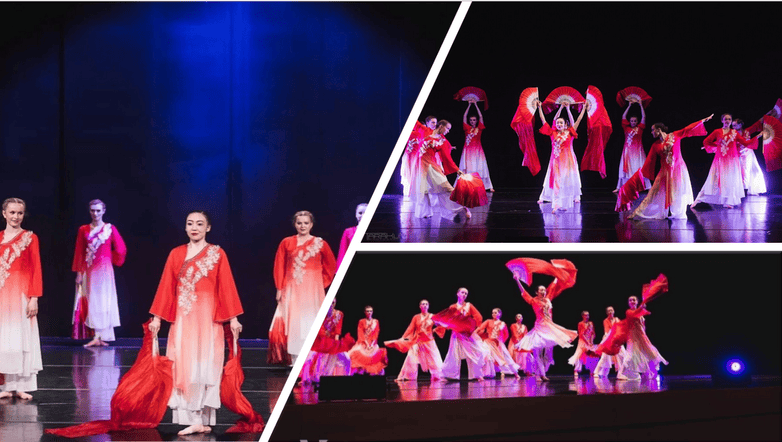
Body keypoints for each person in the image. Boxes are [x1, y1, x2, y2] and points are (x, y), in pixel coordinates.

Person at [147, 210, 244, 436]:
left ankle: (200, 417)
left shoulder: (217, 254)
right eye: (190, 223)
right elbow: (166, 287)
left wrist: (234, 318)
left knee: (204, 364)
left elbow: (226, 286)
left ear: (208, 228)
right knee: (184, 364)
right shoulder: (176, 254)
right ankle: (194, 417)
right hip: (184, 319)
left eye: (200, 224)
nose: (194, 228)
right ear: (185, 227)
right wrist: (157, 317)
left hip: (208, 320)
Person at [270, 211, 336, 364]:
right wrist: (279, 288)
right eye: (299, 223)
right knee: (294, 323)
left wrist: (321, 283)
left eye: (306, 223)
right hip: (292, 289)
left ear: (311, 224)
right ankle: (295, 359)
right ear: (295, 224)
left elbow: (331, 266)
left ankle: (312, 359)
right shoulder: (286, 242)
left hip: (313, 290)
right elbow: (279, 265)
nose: (303, 226)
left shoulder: (320, 243)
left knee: (311, 321)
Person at [619, 115, 713, 219]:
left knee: (678, 192)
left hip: (678, 170)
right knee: (653, 193)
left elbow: (687, 129)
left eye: (653, 130)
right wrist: (638, 177)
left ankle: (678, 213)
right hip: (664, 172)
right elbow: (649, 161)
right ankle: (637, 213)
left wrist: (702, 121)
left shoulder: (675, 135)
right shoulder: (655, 145)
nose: (651, 132)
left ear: (659, 130)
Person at [0, 198, 43, 401]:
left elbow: (36, 268)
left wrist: (34, 298)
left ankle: (21, 385)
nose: (16, 216)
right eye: (12, 212)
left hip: (21, 296)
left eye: (20, 213)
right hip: (2, 297)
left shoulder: (30, 238)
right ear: (4, 214)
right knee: (5, 341)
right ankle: (7, 385)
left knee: (21, 339)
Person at [72, 199, 127, 347]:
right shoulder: (83, 229)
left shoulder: (110, 228)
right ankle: (95, 335)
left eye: (98, 210)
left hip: (105, 271)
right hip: (88, 271)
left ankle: (103, 335)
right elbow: (79, 252)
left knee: (105, 301)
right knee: (93, 301)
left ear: (103, 211)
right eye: (92, 210)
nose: (95, 213)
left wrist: (110, 259)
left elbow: (121, 248)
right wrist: (78, 273)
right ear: (89, 211)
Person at [513, 280, 578, 381]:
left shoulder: (548, 300)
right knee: (537, 352)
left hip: (550, 328)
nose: (544, 291)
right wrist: (517, 280)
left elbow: (552, 288)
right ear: (537, 292)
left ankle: (543, 371)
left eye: (544, 290)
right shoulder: (534, 301)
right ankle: (541, 374)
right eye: (541, 290)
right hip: (539, 328)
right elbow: (524, 292)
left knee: (548, 353)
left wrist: (557, 277)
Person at [693, 114, 759, 209]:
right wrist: (716, 147)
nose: (727, 121)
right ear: (722, 121)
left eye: (729, 119)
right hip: (720, 160)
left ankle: (728, 201)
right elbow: (706, 141)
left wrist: (758, 136)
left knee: (730, 181)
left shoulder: (734, 132)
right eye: (725, 119)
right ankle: (699, 198)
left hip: (732, 161)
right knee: (713, 180)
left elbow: (745, 143)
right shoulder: (717, 131)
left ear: (731, 121)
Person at [534, 100, 589, 213]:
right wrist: (540, 108)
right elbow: (544, 120)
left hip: (567, 162)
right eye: (557, 123)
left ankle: (563, 203)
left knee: (565, 182)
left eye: (561, 123)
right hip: (555, 162)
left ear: (565, 125)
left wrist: (580, 109)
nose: (559, 124)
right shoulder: (552, 133)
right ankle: (556, 204)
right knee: (557, 182)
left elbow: (577, 120)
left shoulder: (570, 133)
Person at [413, 120, 472, 221]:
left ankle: (464, 206)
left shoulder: (443, 141)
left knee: (447, 188)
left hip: (431, 167)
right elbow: (415, 123)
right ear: (441, 126)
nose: (448, 131)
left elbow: (447, 158)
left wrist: (457, 170)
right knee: (423, 190)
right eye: (447, 128)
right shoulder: (426, 130)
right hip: (420, 166)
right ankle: (425, 213)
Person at [437, 288, 490, 381]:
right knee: (453, 354)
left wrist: (474, 327)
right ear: (458, 294)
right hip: (456, 334)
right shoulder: (453, 307)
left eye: (466, 293)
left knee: (476, 352)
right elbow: (448, 320)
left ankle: (477, 374)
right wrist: (440, 324)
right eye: (462, 292)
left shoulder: (469, 305)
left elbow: (478, 317)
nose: (464, 294)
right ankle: (447, 375)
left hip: (467, 334)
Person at [387, 299, 444, 382]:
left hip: (429, 341)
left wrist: (434, 330)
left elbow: (441, 325)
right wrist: (403, 337)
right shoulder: (416, 317)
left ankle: (439, 376)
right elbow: (411, 328)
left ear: (428, 306)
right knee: (410, 357)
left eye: (426, 304)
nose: (425, 305)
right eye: (423, 304)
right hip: (417, 341)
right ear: (420, 306)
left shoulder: (432, 316)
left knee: (435, 359)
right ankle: (407, 376)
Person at [300, 298, 352, 384]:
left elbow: (337, 333)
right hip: (319, 343)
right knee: (308, 359)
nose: (331, 305)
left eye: (333, 303)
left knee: (347, 358)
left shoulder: (339, 314)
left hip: (332, 343)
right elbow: (320, 333)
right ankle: (306, 380)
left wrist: (336, 347)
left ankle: (347, 379)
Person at [617, 296, 668, 381]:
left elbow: (643, 326)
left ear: (637, 302)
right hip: (633, 337)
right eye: (630, 300)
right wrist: (641, 308)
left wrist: (644, 335)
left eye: (634, 300)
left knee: (648, 353)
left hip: (641, 336)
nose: (632, 301)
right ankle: (621, 373)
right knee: (630, 354)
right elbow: (634, 315)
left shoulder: (641, 313)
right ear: (628, 303)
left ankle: (650, 372)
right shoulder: (629, 311)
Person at [615, 100, 650, 192]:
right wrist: (629, 106)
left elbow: (644, 116)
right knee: (625, 169)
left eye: (635, 121)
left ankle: (643, 186)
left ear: (637, 121)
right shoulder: (626, 128)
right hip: (627, 152)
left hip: (638, 152)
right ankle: (620, 187)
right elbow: (623, 116)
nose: (633, 122)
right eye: (631, 121)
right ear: (629, 121)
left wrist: (641, 105)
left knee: (639, 167)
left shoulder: (640, 128)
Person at [459, 101, 494, 191]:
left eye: (474, 120)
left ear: (476, 121)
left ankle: (488, 186)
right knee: (469, 167)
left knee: (480, 167)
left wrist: (476, 105)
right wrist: (469, 105)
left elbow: (481, 116)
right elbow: (464, 116)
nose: (472, 122)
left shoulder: (479, 128)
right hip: (468, 151)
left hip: (478, 150)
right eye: (471, 120)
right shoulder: (467, 128)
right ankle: (467, 185)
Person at [475, 308, 520, 378]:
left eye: (495, 313)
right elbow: (480, 328)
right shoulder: (488, 321)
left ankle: (516, 374)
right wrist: (474, 333)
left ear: (500, 314)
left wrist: (500, 343)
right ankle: (480, 375)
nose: (493, 314)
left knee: (506, 358)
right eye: (493, 313)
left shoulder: (502, 324)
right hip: (488, 342)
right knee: (484, 355)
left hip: (498, 344)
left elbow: (506, 335)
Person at [402, 116, 437, 198]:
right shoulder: (420, 132)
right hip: (415, 156)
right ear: (427, 123)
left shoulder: (434, 133)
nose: (435, 124)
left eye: (435, 122)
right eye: (432, 122)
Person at [347, 306, 388, 375]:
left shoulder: (376, 321)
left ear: (372, 312)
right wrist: (366, 344)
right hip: (362, 342)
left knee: (376, 356)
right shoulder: (361, 321)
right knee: (353, 354)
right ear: (365, 312)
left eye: (370, 311)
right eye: (367, 311)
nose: (369, 312)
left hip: (372, 343)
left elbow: (376, 334)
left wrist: (371, 345)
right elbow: (360, 333)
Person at [732, 118, 767, 196]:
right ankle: (741, 189)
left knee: (751, 170)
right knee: (741, 172)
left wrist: (767, 114)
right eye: (732, 125)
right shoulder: (733, 134)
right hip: (738, 154)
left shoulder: (747, 131)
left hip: (748, 154)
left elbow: (758, 122)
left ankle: (749, 188)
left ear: (740, 125)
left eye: (735, 125)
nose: (733, 127)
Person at [593, 306, 627, 378]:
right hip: (608, 340)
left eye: (611, 310)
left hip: (617, 341)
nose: (610, 312)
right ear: (606, 313)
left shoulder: (617, 319)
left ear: (614, 311)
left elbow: (620, 328)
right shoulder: (605, 320)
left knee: (622, 356)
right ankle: (596, 372)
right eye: (608, 311)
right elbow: (607, 332)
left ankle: (621, 374)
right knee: (604, 357)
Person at [567, 311, 599, 376]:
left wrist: (591, 341)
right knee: (579, 355)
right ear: (582, 316)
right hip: (582, 341)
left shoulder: (591, 323)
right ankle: (576, 370)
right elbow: (581, 334)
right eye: (585, 315)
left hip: (589, 341)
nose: (587, 317)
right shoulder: (580, 323)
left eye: (588, 315)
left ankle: (591, 370)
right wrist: (587, 342)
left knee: (591, 355)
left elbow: (593, 333)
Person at [336, 203, 367, 270]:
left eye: (366, 213)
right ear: (356, 214)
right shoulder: (348, 232)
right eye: (360, 213)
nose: (362, 215)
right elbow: (343, 252)